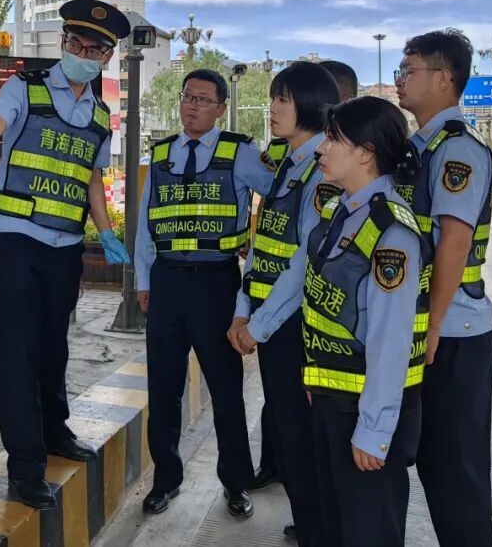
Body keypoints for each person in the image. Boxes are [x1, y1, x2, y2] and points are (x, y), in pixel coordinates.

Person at [0, 0, 132, 511]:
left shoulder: (100, 114)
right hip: (20, 240)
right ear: (63, 42)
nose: (82, 54)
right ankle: (25, 469)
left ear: (107, 57)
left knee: (54, 348)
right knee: (19, 353)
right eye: (75, 43)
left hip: (66, 246)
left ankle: (55, 433)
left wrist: (105, 231)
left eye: (94, 49)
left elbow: (91, 177)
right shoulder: (23, 88)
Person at [134, 69, 274, 518]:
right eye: (187, 97)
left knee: (226, 389)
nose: (191, 106)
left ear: (221, 108)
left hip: (217, 283)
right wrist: (143, 280)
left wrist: (257, 260)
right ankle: (165, 481)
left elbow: (279, 197)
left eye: (202, 100)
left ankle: (236, 482)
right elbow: (147, 222)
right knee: (163, 388)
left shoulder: (240, 152)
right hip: (167, 281)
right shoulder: (161, 154)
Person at [302, 96, 430, 546]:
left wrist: (374, 430)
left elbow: (391, 341)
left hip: (364, 410)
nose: (321, 148)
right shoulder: (344, 213)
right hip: (335, 400)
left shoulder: (391, 233)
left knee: (369, 532)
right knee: (337, 528)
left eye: (333, 139)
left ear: (365, 153)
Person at [229, 62, 341, 546]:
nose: (272, 108)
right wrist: (243, 308)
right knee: (290, 435)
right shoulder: (288, 165)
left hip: (297, 328)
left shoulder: (322, 172)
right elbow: (262, 247)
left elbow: (304, 263)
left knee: (302, 439)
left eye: (283, 99)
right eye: (273, 98)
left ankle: (319, 531)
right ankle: (310, 524)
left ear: (311, 105)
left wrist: (259, 325)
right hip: (270, 321)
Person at [396, 29, 492, 546]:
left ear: (443, 78)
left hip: (453, 331)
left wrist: (431, 329)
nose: (399, 80)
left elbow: (454, 243)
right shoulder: (420, 147)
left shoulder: (458, 149)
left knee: (455, 471)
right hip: (429, 328)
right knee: (433, 461)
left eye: (409, 70)